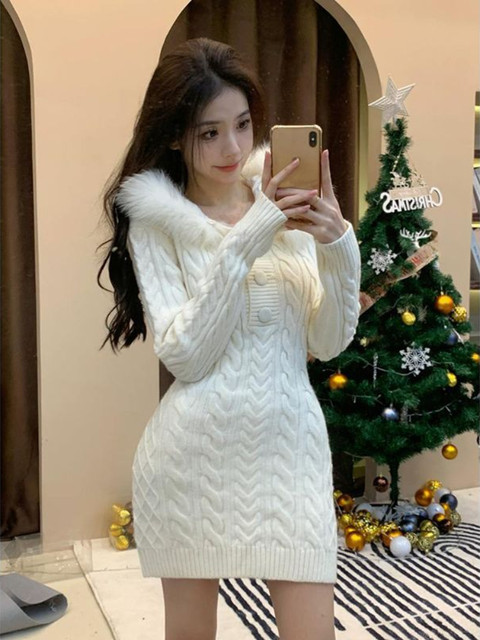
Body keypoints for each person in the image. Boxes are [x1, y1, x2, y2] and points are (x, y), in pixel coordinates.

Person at [97, 37, 361, 640]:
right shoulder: (157, 221)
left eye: (242, 124)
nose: (233, 147)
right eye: (209, 133)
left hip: (291, 456)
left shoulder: (284, 204)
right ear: (174, 135)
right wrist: (252, 232)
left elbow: (328, 341)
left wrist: (337, 245)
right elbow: (186, 356)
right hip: (191, 464)